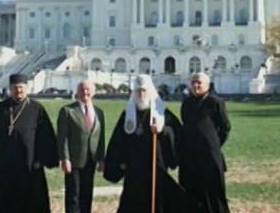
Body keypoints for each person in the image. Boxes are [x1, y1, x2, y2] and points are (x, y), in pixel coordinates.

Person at [104, 75, 195, 213]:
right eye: (138, 91)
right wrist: (120, 162)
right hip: (134, 169)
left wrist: (163, 130)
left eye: (144, 90)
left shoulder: (162, 113)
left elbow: (177, 135)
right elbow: (117, 142)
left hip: (156, 168)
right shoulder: (127, 115)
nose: (141, 94)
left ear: (150, 91)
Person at [0, 74, 59, 213]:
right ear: (10, 89)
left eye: (21, 88)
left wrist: (41, 159)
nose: (18, 91)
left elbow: (46, 137)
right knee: (7, 202)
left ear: (26, 88)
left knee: (34, 202)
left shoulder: (36, 109)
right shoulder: (0, 109)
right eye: (15, 88)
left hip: (30, 165)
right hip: (6, 166)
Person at [180, 72, 232, 213]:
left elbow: (225, 127)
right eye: (193, 82)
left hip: (209, 154)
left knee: (212, 190)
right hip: (190, 154)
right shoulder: (187, 103)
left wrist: (213, 144)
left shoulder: (215, 102)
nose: (196, 85)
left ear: (207, 85)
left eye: (199, 82)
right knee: (191, 188)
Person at [56, 79, 106, 213]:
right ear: (77, 92)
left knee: (87, 194)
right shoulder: (67, 111)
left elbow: (101, 138)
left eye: (88, 89)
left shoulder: (99, 112)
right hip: (74, 161)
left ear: (94, 92)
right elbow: (62, 137)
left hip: (91, 160)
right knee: (74, 195)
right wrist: (65, 158)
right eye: (82, 89)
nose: (85, 92)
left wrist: (101, 159)